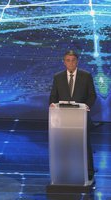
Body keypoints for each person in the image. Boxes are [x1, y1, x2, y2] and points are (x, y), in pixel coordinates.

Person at [49, 50, 97, 181]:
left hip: (81, 117)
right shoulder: (57, 77)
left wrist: (86, 106)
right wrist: (52, 105)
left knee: (85, 144)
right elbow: (53, 97)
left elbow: (92, 95)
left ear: (77, 61)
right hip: (63, 118)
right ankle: (64, 169)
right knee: (64, 145)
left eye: (73, 60)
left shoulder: (86, 76)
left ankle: (89, 171)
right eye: (68, 60)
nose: (71, 63)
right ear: (64, 62)